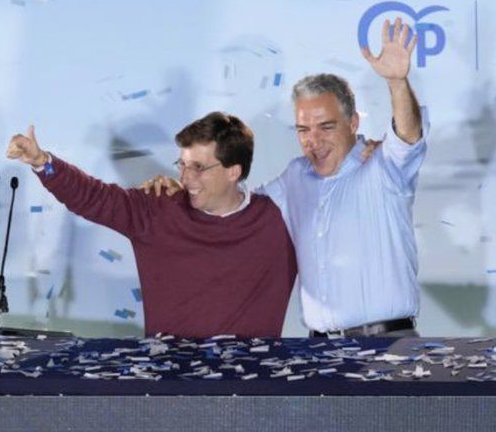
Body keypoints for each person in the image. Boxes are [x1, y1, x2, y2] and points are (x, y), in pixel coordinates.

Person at [144, 18, 427, 337]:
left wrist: (397, 82)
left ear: (352, 124)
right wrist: (186, 186)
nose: (313, 140)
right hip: (319, 352)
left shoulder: (383, 166)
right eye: (303, 129)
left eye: (326, 127)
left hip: (387, 346)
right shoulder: (295, 176)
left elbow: (407, 134)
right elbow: (234, 199)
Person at [6, 112, 296, 338]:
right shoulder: (158, 208)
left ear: (234, 171)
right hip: (168, 389)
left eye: (198, 167)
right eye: (182, 164)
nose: (186, 178)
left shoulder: (281, 221)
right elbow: (93, 196)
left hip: (253, 395)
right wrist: (42, 161)